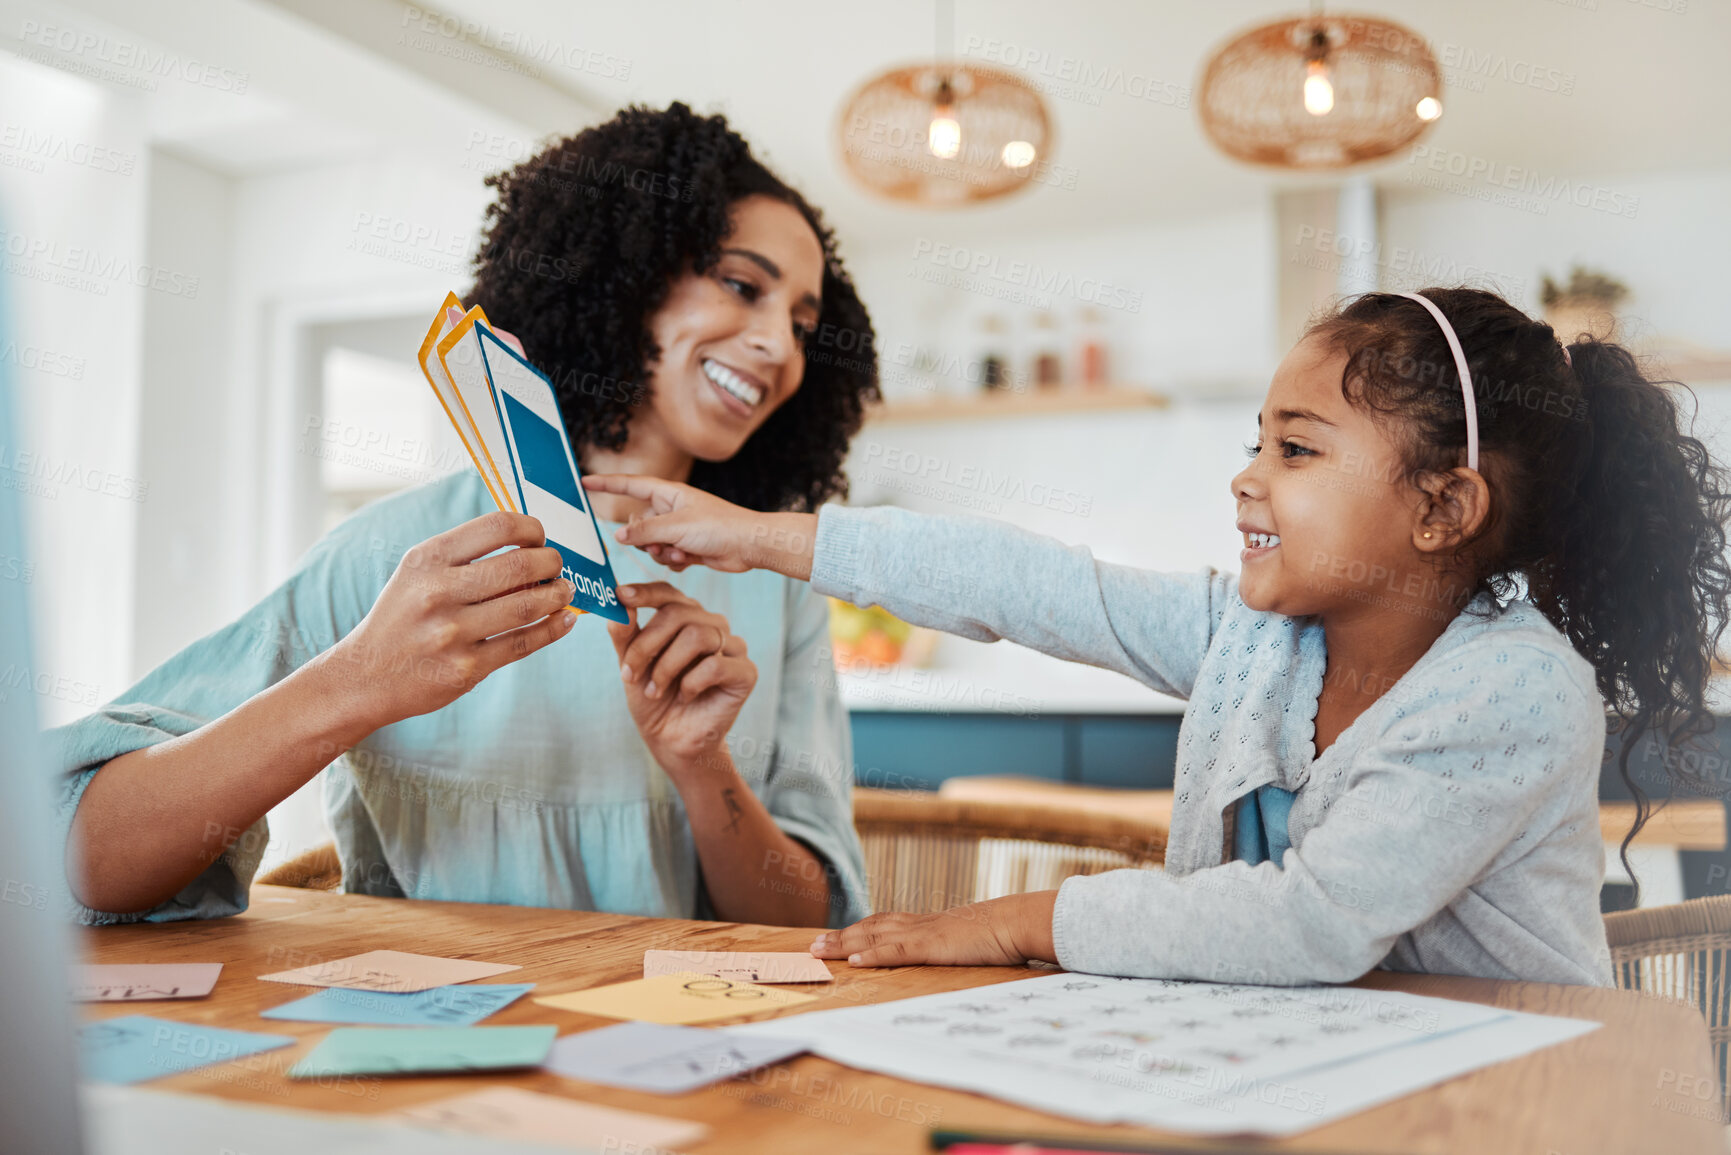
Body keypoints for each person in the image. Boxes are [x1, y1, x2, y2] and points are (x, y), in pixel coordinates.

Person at [584, 286, 1731, 985]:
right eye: (1256, 442)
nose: (1246, 481)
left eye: (1296, 450)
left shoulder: (1516, 694)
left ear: (1442, 509)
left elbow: (1309, 922)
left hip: (1519, 1091)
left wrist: (1010, 926)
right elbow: (1028, 582)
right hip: (1325, 1065)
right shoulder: (1254, 635)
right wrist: (757, 537)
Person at [53, 102, 879, 930]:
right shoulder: (394, 557)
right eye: (743, 285)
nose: (781, 346)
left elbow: (812, 924)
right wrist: (356, 683)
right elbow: (79, 854)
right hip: (426, 1046)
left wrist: (704, 771)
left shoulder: (779, 587)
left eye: (804, 326)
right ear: (624, 274)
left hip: (681, 1045)